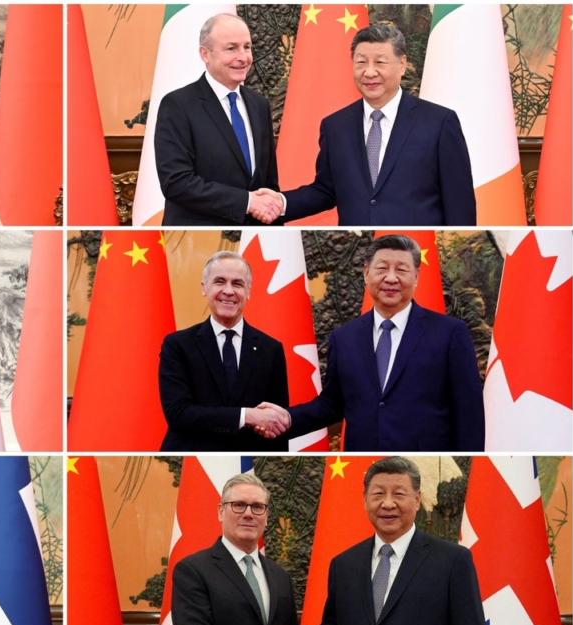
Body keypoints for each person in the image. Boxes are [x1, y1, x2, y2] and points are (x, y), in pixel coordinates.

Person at [259, 234, 484, 450]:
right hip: (363, 460)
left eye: (402, 270)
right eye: (382, 268)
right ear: (366, 273)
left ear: (416, 276)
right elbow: (331, 404)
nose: (391, 278)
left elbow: (469, 413)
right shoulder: (344, 338)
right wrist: (286, 418)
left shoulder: (450, 332)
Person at [273, 457, 485, 625]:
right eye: (378, 494)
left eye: (399, 494)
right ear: (365, 500)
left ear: (417, 499)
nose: (388, 503)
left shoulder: (452, 560)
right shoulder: (344, 564)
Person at [253, 25, 476, 226]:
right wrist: (281, 202)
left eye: (379, 62)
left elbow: (459, 203)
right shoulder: (335, 126)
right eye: (361, 62)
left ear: (402, 64)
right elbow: (326, 191)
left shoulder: (439, 122)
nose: (369, 72)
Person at [155, 13, 282, 226]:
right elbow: (176, 182)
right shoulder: (178, 105)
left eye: (247, 47)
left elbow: (268, 183)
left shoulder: (260, 105)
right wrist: (246, 202)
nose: (243, 57)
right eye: (231, 48)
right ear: (205, 54)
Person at [172, 473, 303, 625]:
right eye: (239, 505)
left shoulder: (280, 576)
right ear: (221, 511)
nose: (249, 514)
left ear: (266, 516)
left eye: (258, 507)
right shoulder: (192, 570)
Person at [159, 252, 290, 451]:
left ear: (248, 291)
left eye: (237, 284)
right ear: (205, 288)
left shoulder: (271, 349)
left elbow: (275, 421)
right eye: (220, 281)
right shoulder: (178, 345)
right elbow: (178, 413)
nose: (228, 291)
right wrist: (247, 416)